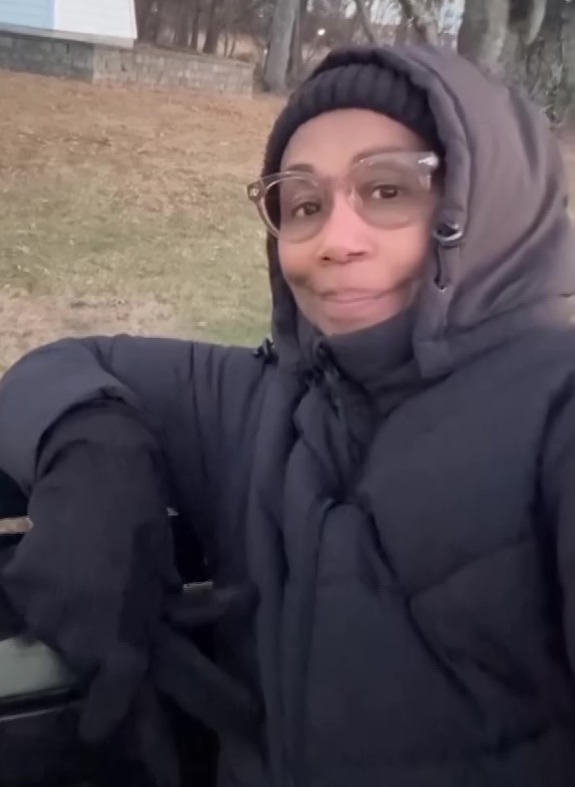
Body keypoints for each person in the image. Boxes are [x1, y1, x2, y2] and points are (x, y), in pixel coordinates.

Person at [1, 42, 575, 787]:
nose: (335, 242)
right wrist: (93, 455)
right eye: (303, 204)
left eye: (388, 189)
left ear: (484, 199)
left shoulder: (556, 412)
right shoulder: (255, 403)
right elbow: (60, 364)